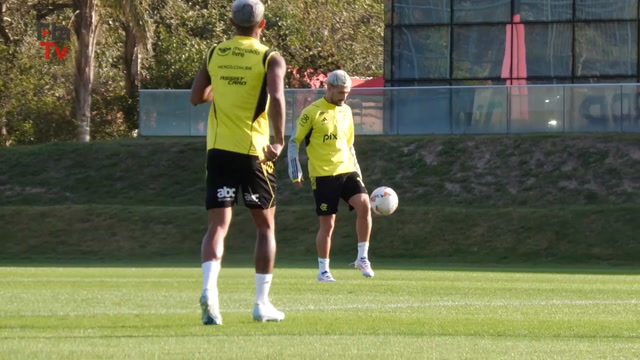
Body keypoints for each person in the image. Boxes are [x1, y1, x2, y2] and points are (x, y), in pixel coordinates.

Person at [189, 0, 286, 324]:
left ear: (232, 23)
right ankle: (261, 303)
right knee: (265, 227)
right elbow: (276, 98)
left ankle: (210, 293)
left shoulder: (216, 53)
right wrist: (278, 140)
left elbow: (196, 96)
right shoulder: (270, 58)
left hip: (218, 150)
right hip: (254, 151)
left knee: (217, 226)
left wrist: (222, 92)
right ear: (262, 24)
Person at [287, 70, 374, 282]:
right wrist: (295, 170)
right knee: (328, 224)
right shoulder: (312, 112)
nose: (344, 97)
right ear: (329, 88)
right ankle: (323, 270)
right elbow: (293, 141)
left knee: (364, 204)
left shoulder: (347, 111)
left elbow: (349, 144)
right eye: (340, 92)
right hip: (323, 175)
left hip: (347, 169)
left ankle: (362, 257)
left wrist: (358, 171)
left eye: (347, 93)